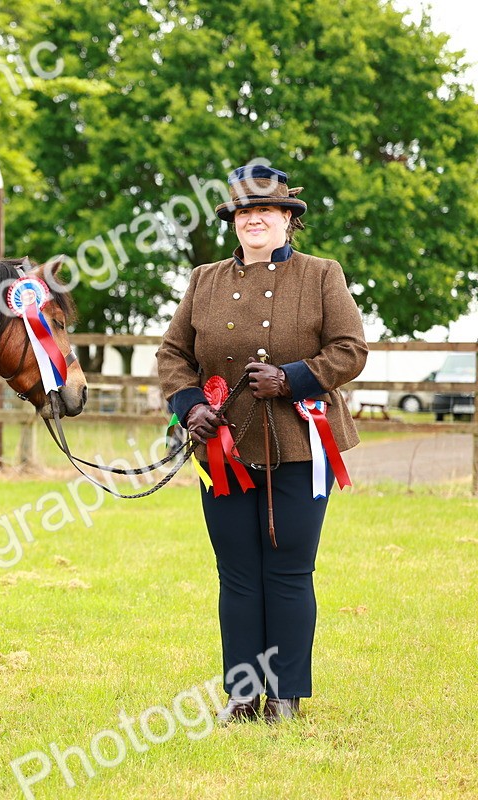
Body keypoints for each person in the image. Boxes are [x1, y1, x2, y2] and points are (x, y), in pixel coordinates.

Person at [156, 164, 368, 724]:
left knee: (290, 572)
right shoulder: (203, 279)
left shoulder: (323, 275)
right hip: (223, 450)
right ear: (233, 222)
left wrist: (294, 378)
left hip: (300, 447)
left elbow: (350, 349)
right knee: (238, 576)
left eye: (266, 211)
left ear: (287, 220)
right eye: (244, 212)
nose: (254, 219)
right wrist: (189, 405)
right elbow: (173, 355)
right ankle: (243, 694)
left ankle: (287, 694)